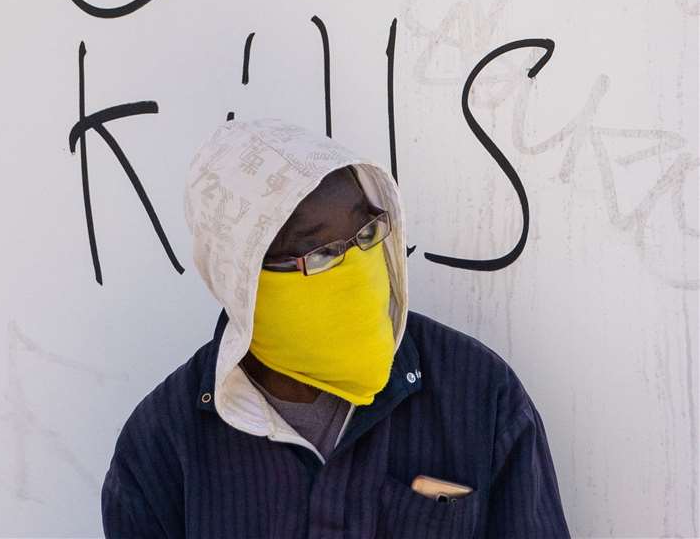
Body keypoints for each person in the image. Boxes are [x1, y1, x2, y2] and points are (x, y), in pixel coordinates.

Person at [101, 118, 569, 537]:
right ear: (243, 277)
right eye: (320, 255)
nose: (358, 266)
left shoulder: (478, 393)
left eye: (367, 234)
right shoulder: (161, 447)